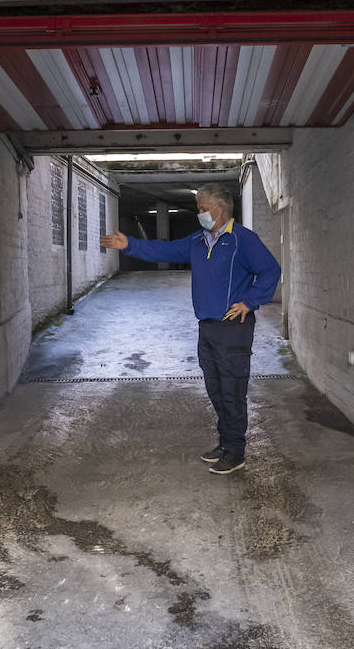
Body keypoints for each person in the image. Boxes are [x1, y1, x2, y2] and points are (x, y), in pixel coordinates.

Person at [99, 182, 281, 475]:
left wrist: (250, 302)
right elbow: (166, 250)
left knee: (232, 389)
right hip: (206, 327)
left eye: (202, 208)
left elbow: (271, 270)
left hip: (233, 328)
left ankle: (235, 452)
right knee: (216, 389)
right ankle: (225, 443)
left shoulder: (242, 240)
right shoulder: (198, 241)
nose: (199, 214)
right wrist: (130, 245)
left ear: (220, 208)